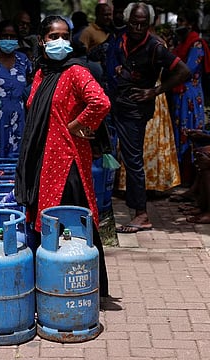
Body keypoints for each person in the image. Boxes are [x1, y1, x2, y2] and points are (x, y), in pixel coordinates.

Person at [14, 15, 111, 297]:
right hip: (42, 159)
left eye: (65, 36)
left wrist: (78, 125)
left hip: (68, 161)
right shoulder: (41, 73)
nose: (60, 42)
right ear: (42, 40)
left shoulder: (76, 72)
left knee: (76, 223)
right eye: (53, 36)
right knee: (46, 222)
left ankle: (87, 286)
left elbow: (101, 102)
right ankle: (51, 284)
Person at [112, 2, 190, 233]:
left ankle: (141, 215)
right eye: (134, 22)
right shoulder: (122, 38)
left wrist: (155, 91)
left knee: (134, 162)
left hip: (136, 110)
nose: (138, 27)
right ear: (127, 21)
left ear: (150, 24)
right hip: (118, 104)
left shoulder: (156, 46)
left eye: (143, 24)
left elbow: (184, 71)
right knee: (121, 156)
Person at [171, 9, 210, 188]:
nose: (179, 24)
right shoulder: (182, 43)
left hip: (191, 97)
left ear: (190, 24)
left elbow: (187, 70)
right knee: (181, 135)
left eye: (182, 21)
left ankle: (191, 181)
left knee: (191, 135)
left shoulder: (197, 45)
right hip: (179, 95)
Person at [0, 20, 32, 159]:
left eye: (12, 37)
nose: (8, 40)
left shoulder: (23, 60)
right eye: (4, 36)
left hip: (18, 120)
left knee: (16, 161)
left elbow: (30, 85)